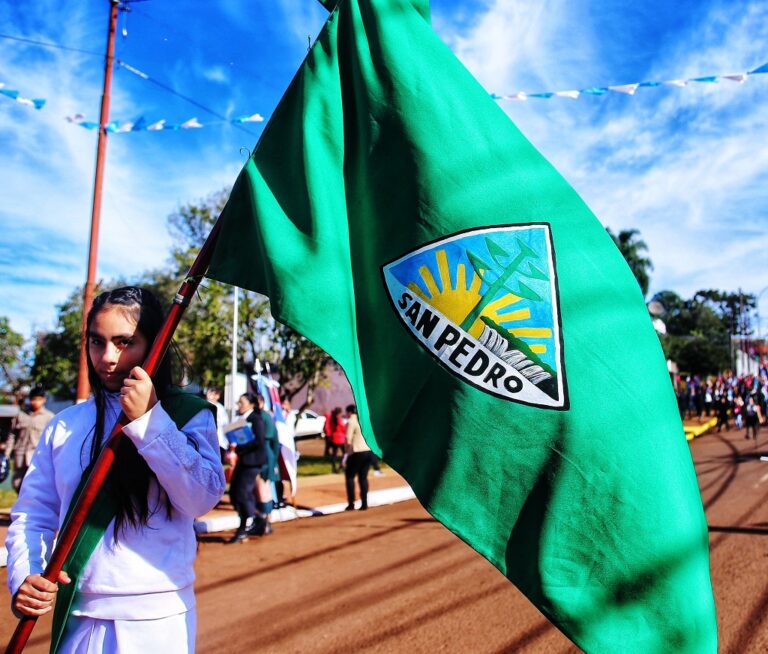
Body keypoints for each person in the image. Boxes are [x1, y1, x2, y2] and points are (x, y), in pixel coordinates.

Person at [6, 286, 225, 653]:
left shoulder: (189, 415)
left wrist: (151, 422)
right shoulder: (64, 426)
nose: (107, 357)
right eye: (97, 341)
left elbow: (200, 498)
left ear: (155, 343)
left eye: (125, 342)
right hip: (77, 618)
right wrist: (25, 575)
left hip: (158, 625)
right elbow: (34, 514)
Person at [227, 393, 267, 543]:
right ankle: (259, 518)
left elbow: (259, 440)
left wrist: (240, 447)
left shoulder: (256, 419)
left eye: (241, 402)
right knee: (234, 493)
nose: (239, 405)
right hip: (244, 460)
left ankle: (245, 527)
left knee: (242, 493)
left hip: (253, 461)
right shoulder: (242, 419)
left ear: (251, 404)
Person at [6, 386, 54, 491]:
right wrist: (7, 453)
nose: (35, 402)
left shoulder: (49, 417)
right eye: (33, 399)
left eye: (38, 399)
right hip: (21, 455)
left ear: (43, 400)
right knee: (18, 483)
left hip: (37, 457)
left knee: (35, 486)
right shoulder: (21, 415)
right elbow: (12, 435)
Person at [254, 394, 280, 534]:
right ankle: (266, 521)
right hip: (266, 455)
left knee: (262, 490)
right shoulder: (264, 416)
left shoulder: (263, 417)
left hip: (263, 456)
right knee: (265, 491)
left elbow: (270, 438)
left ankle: (265, 523)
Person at [344, 405, 374, 511]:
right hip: (368, 451)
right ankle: (364, 503)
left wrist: (346, 454)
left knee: (350, 476)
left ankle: (351, 503)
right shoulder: (365, 420)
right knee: (363, 478)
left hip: (357, 451)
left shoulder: (351, 421)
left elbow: (348, 439)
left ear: (349, 412)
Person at [327, 407, 347, 473]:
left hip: (334, 438)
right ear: (339, 413)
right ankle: (342, 465)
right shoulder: (339, 420)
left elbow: (329, 428)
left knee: (334, 454)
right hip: (341, 439)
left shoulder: (331, 419)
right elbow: (343, 429)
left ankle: (334, 468)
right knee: (345, 453)